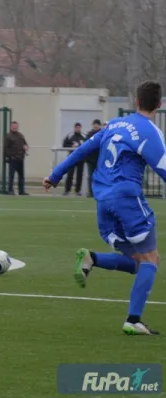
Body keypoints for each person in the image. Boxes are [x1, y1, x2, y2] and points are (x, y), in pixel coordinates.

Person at [42, 80, 164, 336]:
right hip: (127, 198)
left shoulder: (115, 125)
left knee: (138, 262)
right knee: (151, 259)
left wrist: (55, 175)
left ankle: (92, 258)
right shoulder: (150, 132)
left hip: (102, 202)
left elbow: (82, 151)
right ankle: (133, 320)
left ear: (137, 102)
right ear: (159, 105)